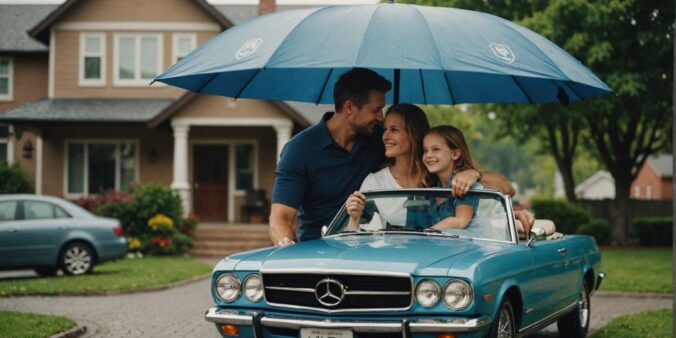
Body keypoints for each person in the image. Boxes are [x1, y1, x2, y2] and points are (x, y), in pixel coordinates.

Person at [269, 69, 486, 246]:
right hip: (319, 248)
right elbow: (281, 218)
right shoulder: (300, 150)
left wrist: (471, 172)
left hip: (374, 252)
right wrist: (288, 248)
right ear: (349, 108)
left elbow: (475, 180)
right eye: (376, 110)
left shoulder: (379, 138)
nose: (381, 119)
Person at [422, 125, 481, 230]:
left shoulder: (464, 184)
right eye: (425, 150)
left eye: (436, 149)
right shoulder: (431, 187)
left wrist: (427, 233)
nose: (428, 155)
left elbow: (461, 221)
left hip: (466, 244)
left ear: (455, 154)